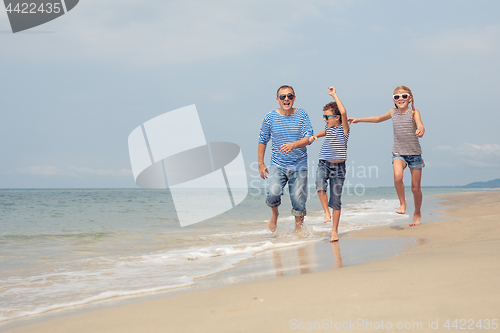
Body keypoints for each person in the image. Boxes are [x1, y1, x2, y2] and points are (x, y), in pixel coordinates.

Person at [348, 85, 425, 226]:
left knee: (415, 188)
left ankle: (417, 213)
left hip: (414, 154)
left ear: (410, 98)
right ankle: (402, 203)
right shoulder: (392, 112)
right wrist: (359, 119)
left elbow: (420, 125)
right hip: (398, 153)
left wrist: (420, 130)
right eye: (397, 97)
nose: (400, 99)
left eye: (404, 96)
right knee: (397, 176)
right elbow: (377, 118)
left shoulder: (414, 112)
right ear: (394, 100)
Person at [258, 85, 313, 233]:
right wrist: (261, 163)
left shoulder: (302, 115)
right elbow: (263, 139)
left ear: (294, 98)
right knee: (273, 192)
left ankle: (298, 231)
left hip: (299, 165)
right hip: (278, 164)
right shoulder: (270, 117)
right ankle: (275, 214)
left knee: (298, 200)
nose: (286, 99)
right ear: (278, 100)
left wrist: (294, 144)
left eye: (290, 96)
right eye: (283, 96)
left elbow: (309, 137)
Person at [309, 86, 350, 242]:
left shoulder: (344, 129)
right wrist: (315, 136)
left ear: (337, 117)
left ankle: (334, 231)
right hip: (323, 163)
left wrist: (334, 95)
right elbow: (324, 132)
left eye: (327, 117)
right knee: (319, 185)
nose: (325, 120)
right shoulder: (328, 127)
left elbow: (344, 112)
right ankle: (326, 212)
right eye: (324, 117)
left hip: (339, 168)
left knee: (336, 200)